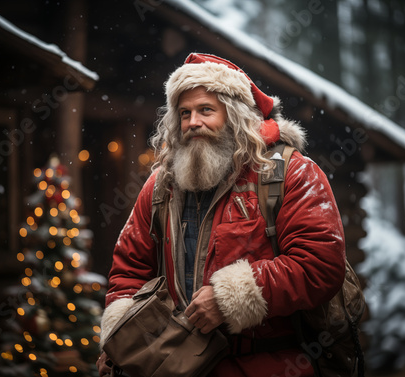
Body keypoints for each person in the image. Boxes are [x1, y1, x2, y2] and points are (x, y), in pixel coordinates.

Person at [96, 53, 346, 377]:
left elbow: (320, 264)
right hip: (175, 365)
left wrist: (231, 297)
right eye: (184, 113)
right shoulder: (161, 184)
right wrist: (119, 341)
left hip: (270, 364)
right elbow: (129, 270)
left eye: (205, 110)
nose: (192, 123)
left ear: (236, 115)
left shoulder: (291, 173)